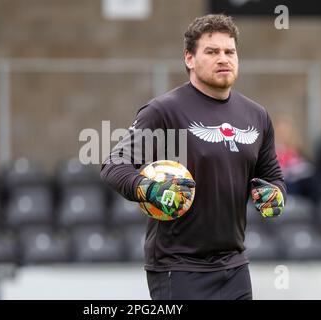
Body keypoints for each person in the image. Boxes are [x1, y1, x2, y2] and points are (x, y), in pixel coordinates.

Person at [100, 14, 286, 300]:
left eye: (229, 51)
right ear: (189, 58)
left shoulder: (257, 115)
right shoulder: (163, 111)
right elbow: (114, 165)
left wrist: (274, 195)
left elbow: (272, 177)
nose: (223, 58)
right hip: (178, 268)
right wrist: (148, 189)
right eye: (212, 52)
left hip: (235, 266)